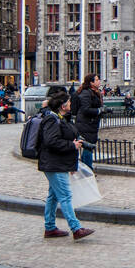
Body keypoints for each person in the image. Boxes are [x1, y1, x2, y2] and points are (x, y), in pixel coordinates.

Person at [37, 91, 94, 240]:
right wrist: (72, 145)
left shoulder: (61, 118)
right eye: (69, 102)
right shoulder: (52, 120)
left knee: (53, 196)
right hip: (54, 164)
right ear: (63, 106)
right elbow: (51, 142)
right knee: (65, 196)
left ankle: (50, 227)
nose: (71, 104)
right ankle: (76, 228)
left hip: (57, 163)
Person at [74, 74, 103, 171]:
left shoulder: (94, 92)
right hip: (86, 124)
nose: (99, 81)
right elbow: (85, 109)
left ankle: (86, 169)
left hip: (90, 124)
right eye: (97, 80)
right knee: (88, 146)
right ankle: (87, 170)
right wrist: (99, 110)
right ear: (91, 82)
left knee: (88, 146)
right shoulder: (86, 93)